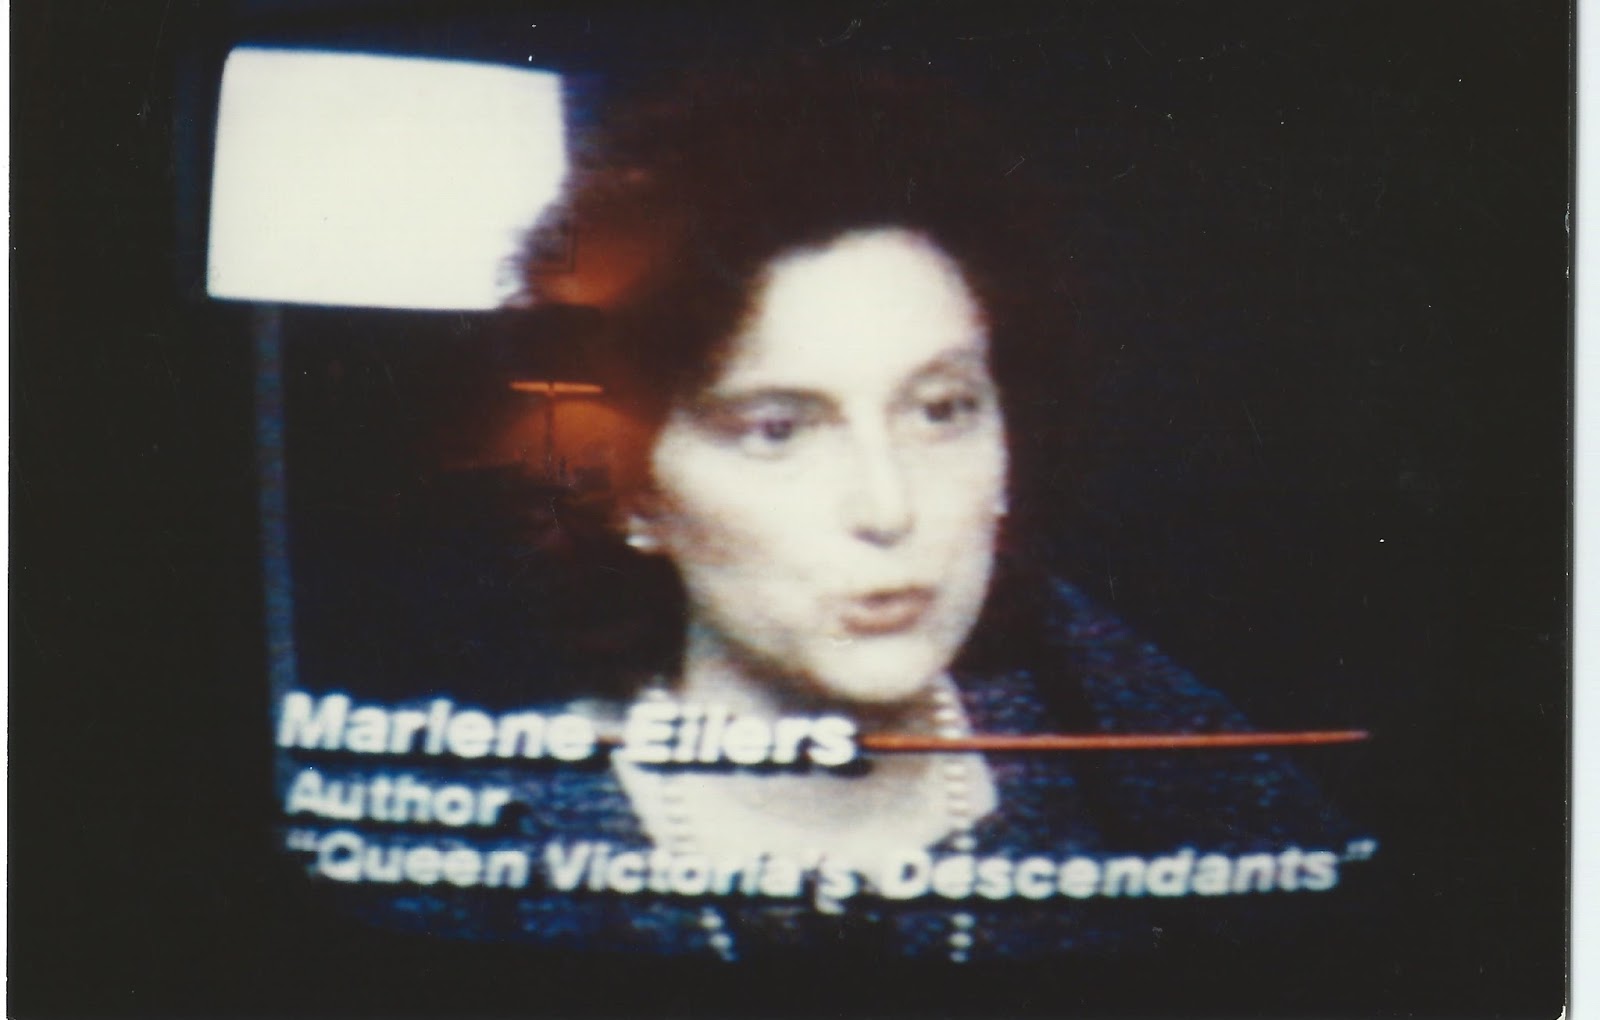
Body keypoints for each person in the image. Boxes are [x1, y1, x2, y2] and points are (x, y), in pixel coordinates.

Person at [356, 61, 1357, 961]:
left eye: (941, 410)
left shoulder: (1145, 773)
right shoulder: (482, 849)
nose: (888, 507)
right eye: (777, 429)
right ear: (629, 492)